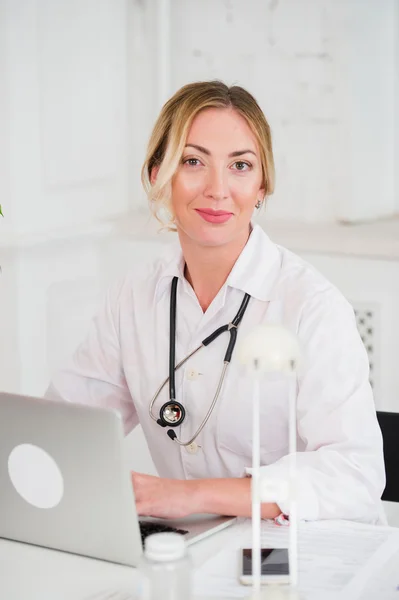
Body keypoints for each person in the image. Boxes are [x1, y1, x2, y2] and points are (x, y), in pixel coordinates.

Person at [45, 80, 386, 524]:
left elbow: (355, 476)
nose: (217, 189)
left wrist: (188, 497)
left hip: (304, 559)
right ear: (157, 176)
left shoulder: (313, 307)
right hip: (193, 553)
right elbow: (63, 430)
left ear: (263, 186)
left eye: (241, 166)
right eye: (193, 161)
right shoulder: (132, 297)